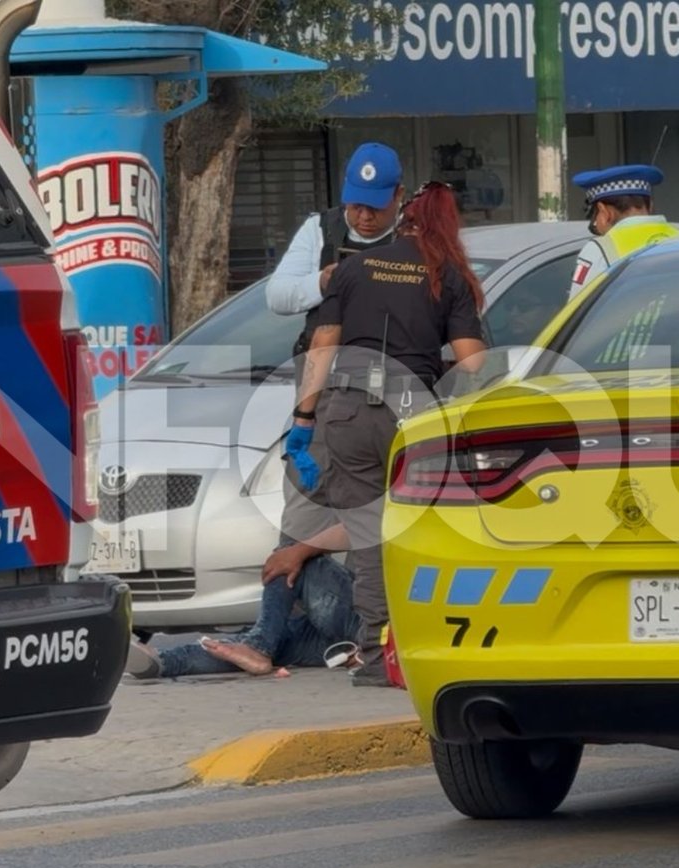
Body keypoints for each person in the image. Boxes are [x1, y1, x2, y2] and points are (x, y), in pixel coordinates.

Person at [287, 182, 489, 687]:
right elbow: (474, 362)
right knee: (420, 533)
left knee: (366, 538)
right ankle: (427, 644)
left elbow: (324, 342)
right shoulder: (448, 275)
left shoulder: (355, 267)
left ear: (404, 215)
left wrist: (304, 418)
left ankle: (378, 657)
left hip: (348, 412)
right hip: (413, 416)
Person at [264, 143, 406, 545]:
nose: (363, 217)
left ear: (398, 196)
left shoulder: (417, 235)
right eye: (356, 205)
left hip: (394, 391)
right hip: (324, 393)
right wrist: (323, 283)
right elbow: (277, 295)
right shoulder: (321, 229)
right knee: (307, 505)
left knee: (383, 512)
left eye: (375, 208)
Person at [125, 525, 358, 679]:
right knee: (261, 643)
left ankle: (258, 647)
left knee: (289, 555)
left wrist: (299, 551)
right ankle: (164, 662)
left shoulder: (383, 485)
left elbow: (361, 523)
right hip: (360, 636)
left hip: (370, 622)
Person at [566, 163, 679, 298]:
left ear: (604, 212)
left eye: (594, 215)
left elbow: (578, 306)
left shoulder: (600, 249)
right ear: (650, 205)